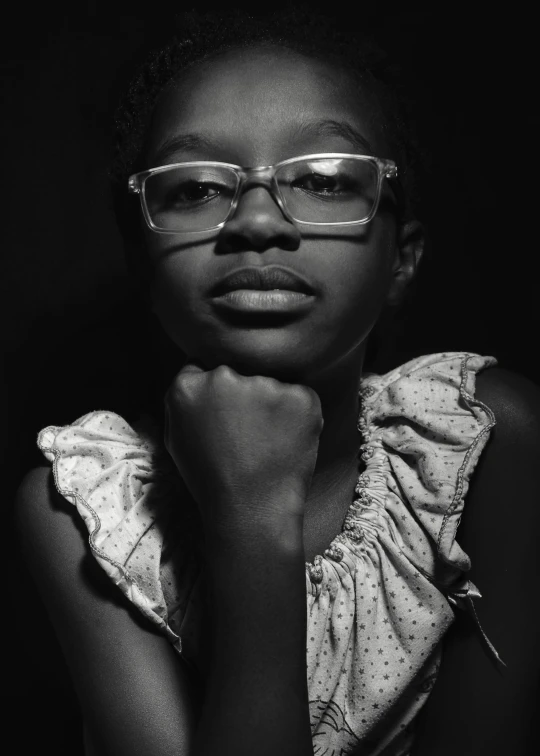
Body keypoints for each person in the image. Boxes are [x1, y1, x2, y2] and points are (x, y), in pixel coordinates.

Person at [15, 9, 540, 756]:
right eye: (196, 189)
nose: (256, 221)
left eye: (325, 180)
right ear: (140, 261)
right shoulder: (80, 508)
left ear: (403, 259)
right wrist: (253, 517)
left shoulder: (482, 440)